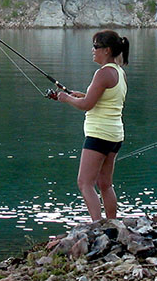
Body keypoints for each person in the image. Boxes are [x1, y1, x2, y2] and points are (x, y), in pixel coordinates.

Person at [50, 30, 130, 222]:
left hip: (99, 135)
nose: (93, 50)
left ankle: (97, 225)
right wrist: (81, 95)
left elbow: (87, 105)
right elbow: (104, 100)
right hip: (115, 135)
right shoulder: (119, 72)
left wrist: (66, 98)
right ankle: (112, 223)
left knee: (85, 183)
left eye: (96, 46)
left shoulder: (102, 74)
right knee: (105, 184)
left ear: (107, 50)